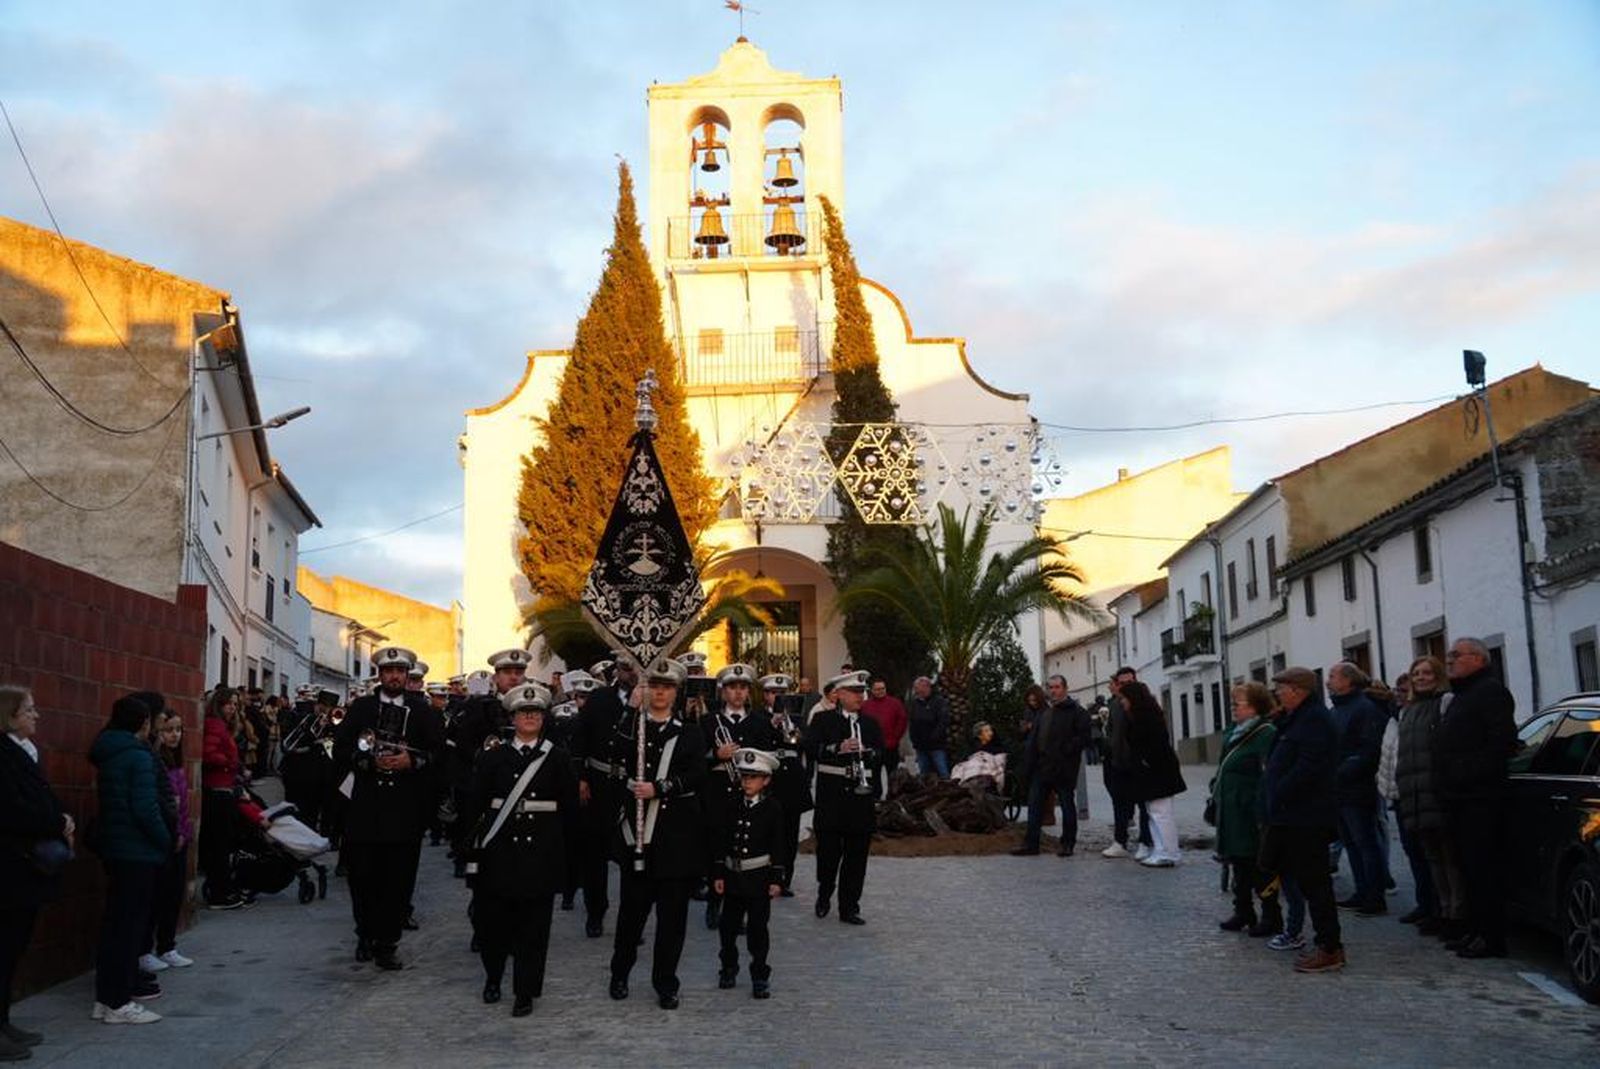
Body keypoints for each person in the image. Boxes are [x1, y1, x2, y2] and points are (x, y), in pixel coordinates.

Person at [463, 682, 577, 1017]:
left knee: (534, 928)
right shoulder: (493, 756)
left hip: (540, 853)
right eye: (523, 713)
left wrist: (564, 859)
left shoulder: (556, 758)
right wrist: (471, 850)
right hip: (498, 851)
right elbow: (475, 806)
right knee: (493, 924)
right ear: (512, 717)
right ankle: (493, 977)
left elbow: (570, 809)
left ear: (543, 718)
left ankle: (525, 991)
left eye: (535, 713)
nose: (529, 717)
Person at [332, 646, 446, 970]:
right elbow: (340, 749)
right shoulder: (361, 708)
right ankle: (364, 933)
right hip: (366, 806)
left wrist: (413, 760)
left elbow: (439, 753)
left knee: (398, 878)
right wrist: (367, 760)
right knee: (363, 876)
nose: (394, 676)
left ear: (407, 675)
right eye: (388, 671)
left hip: (405, 808)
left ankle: (388, 942)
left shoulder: (424, 711)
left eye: (400, 671)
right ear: (380, 675)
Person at [608, 657, 707, 1009]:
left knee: (672, 921)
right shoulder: (633, 729)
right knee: (631, 916)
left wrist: (660, 788)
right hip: (637, 839)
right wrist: (629, 714)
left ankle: (666, 982)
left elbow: (697, 773)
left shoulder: (690, 732)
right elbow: (614, 756)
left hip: (675, 840)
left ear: (676, 692)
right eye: (654, 686)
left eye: (666, 687)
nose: (660, 692)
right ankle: (619, 973)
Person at [90, 695, 172, 1024]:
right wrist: (164, 839)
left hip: (117, 847)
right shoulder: (136, 757)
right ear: (144, 723)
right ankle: (118, 1001)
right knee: (128, 928)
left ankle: (105, 996)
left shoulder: (109, 752)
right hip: (136, 850)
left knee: (115, 925)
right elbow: (145, 807)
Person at [1, 686, 73, 1055]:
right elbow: (14, 810)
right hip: (11, 867)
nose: (36, 715)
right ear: (10, 715)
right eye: (29, 709)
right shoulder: (5, 757)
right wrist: (55, 821)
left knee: (14, 947)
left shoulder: (23, 753)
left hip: (23, 871)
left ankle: (4, 1022)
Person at [1259, 666, 1344, 973]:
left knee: (1315, 883)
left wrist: (1280, 789)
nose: (1277, 694)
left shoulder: (1315, 720)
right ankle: (1326, 942)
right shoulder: (1296, 719)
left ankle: (1330, 947)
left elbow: (1310, 765)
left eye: (1281, 689)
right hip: (1292, 814)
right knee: (1306, 881)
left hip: (1307, 815)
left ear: (1297, 690)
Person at [1435, 637, 1517, 959]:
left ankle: (1491, 936)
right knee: (1467, 868)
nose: (1450, 660)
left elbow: (1501, 743)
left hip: (1480, 798)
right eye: (1450, 655)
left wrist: (1463, 771)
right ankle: (1475, 929)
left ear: (1479, 659)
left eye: (1457, 655)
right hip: (1459, 796)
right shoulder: (1462, 695)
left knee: (1483, 869)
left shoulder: (1490, 692)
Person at [701, 663, 780, 931]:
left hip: (748, 793)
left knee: (747, 847)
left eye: (743, 688)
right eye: (732, 688)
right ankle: (714, 901)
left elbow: (769, 756)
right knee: (716, 846)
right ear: (723, 692)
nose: (737, 693)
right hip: (718, 793)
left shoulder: (759, 721)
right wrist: (715, 755)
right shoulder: (709, 721)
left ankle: (743, 905)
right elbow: (694, 760)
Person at [805, 670, 883, 924]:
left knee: (857, 857)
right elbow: (810, 748)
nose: (860, 696)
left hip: (860, 800)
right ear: (839, 694)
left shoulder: (869, 724)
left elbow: (882, 755)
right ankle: (824, 893)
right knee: (828, 855)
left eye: (862, 692)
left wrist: (869, 752)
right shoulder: (823, 720)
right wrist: (837, 748)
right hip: (832, 800)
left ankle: (850, 907)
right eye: (854, 692)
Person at [448, 649, 532, 879]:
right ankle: (466, 856)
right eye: (507, 672)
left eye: (519, 672)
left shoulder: (533, 708)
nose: (514, 677)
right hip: (483, 780)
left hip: (521, 780)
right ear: (496, 677)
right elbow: (462, 744)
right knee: (474, 823)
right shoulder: (479, 705)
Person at [714, 748, 785, 999]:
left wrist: (777, 879)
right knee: (728, 927)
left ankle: (759, 975)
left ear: (765, 780)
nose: (747, 782)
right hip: (734, 877)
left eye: (753, 777)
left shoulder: (772, 808)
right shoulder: (732, 804)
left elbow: (779, 845)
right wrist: (719, 872)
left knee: (757, 930)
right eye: (744, 777)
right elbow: (722, 839)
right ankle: (728, 967)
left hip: (758, 878)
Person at [1212, 683, 1279, 936]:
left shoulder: (1265, 733)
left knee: (1259, 863)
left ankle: (1271, 915)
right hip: (1231, 809)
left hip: (1250, 808)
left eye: (1237, 704)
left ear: (1254, 707)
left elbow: (1266, 772)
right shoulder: (1233, 732)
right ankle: (1243, 910)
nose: (1233, 709)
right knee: (1238, 860)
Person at [570, 661, 629, 938]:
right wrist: (581, 776)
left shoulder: (650, 697)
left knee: (632, 853)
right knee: (594, 852)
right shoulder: (600, 697)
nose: (631, 673)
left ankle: (633, 915)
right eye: (626, 667)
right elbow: (581, 738)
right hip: (599, 781)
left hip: (631, 784)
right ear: (617, 669)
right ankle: (595, 911)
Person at [1327, 662, 1387, 915]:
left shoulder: (1364, 708)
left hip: (1356, 788)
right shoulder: (1337, 709)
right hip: (1339, 789)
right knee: (1351, 843)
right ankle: (1362, 891)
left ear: (1348, 680)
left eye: (1333, 676)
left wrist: (1341, 773)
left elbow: (1368, 751)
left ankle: (1375, 896)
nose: (1328, 680)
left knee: (1365, 842)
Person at [140, 710, 195, 976]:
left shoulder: (175, 762)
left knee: (173, 895)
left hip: (179, 836)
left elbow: (182, 806)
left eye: (178, 729)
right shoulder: (154, 763)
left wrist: (184, 832)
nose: (174, 735)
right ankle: (146, 950)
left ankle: (167, 945)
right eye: (168, 730)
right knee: (156, 897)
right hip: (164, 838)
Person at [1012, 675, 1092, 857]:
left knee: (1066, 805)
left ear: (1065, 688)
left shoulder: (1077, 712)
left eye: (1057, 687)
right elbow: (1035, 738)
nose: (1053, 691)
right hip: (1042, 766)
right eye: (1050, 687)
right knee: (1034, 805)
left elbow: (1084, 738)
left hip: (1063, 768)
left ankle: (1067, 844)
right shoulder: (1045, 712)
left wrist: (1067, 749)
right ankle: (1031, 844)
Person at [1118, 681, 1186, 867]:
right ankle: (1159, 849)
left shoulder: (1147, 718)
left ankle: (1169, 852)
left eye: (1123, 698)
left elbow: (1155, 746)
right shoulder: (1139, 717)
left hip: (1157, 773)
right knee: (1153, 812)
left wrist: (1146, 762)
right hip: (1149, 772)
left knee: (1161, 813)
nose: (1122, 702)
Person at [761, 673, 810, 897]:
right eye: (773, 693)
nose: (777, 697)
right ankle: (765, 876)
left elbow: (804, 744)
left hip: (791, 780)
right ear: (765, 696)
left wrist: (797, 734)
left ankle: (785, 879)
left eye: (781, 694)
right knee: (767, 831)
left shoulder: (797, 718)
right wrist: (770, 726)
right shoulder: (758, 718)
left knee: (790, 833)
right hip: (769, 778)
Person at [200, 687, 246, 909]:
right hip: (218, 790)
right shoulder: (215, 725)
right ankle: (220, 892)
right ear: (219, 704)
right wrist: (230, 763)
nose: (233, 708)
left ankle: (220, 888)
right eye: (230, 703)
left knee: (221, 843)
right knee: (219, 844)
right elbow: (208, 754)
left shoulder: (221, 726)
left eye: (236, 704)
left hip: (223, 787)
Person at [1101, 667, 1152, 859]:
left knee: (1143, 805)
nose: (1125, 686)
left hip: (1139, 762)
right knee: (1119, 803)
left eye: (1129, 682)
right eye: (1121, 683)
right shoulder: (1115, 704)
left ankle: (1145, 842)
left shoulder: (1144, 703)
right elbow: (1113, 732)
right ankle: (1120, 841)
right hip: (1118, 762)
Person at [861, 677, 908, 782]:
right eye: (877, 689)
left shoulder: (895, 703)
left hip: (891, 747)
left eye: (882, 688)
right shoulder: (865, 705)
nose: (880, 691)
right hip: (872, 748)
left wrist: (895, 738)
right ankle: (876, 796)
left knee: (892, 776)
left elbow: (902, 721)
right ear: (872, 690)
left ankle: (892, 796)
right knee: (874, 775)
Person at [906, 676, 950, 778]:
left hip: (936, 746)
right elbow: (912, 723)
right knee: (924, 774)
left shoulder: (939, 702)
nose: (916, 690)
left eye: (917, 688)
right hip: (920, 746)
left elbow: (943, 722)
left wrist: (934, 737)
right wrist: (914, 740)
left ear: (926, 687)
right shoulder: (915, 703)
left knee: (943, 772)